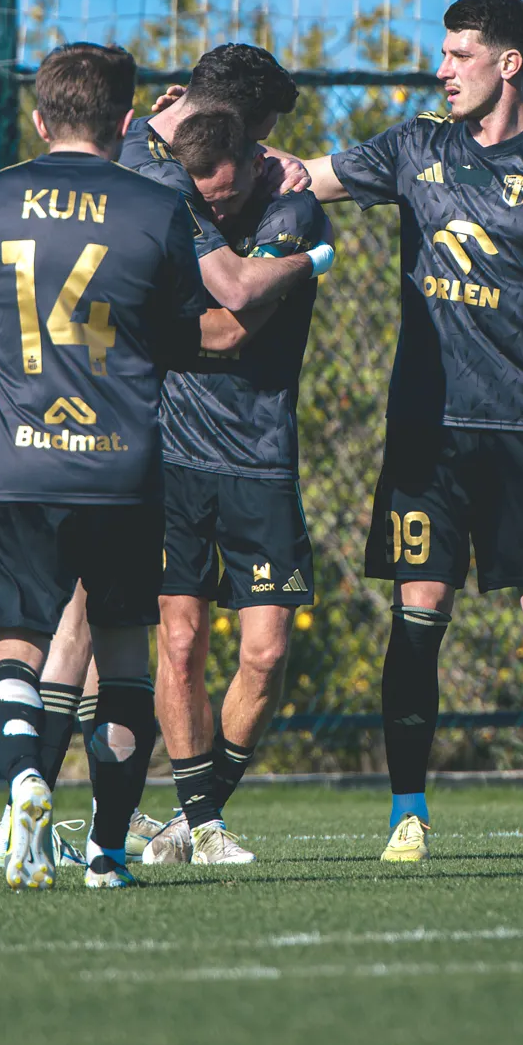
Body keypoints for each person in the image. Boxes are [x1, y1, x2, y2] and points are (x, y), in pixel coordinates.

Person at [268, 0, 523, 862]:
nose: (441, 70)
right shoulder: (414, 145)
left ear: (509, 64)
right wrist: (205, 139)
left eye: (458, 55)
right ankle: (409, 814)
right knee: (418, 612)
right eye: (442, 54)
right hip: (425, 434)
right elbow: (300, 176)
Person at [0, 41, 207, 890]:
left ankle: (26, 776)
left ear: (38, 118)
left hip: (12, 465)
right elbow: (183, 337)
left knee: (12, 650)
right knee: (123, 661)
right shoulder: (158, 207)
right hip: (121, 468)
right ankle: (107, 855)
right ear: (126, 122)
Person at [130, 107, 333, 866]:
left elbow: (233, 324)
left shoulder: (293, 212)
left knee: (267, 655)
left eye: (227, 197)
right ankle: (204, 825)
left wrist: (145, 330)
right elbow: (123, 130)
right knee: (180, 644)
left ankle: (193, 818)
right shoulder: (172, 203)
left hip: (262, 461)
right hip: (174, 459)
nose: (215, 213)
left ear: (254, 161)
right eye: (204, 200)